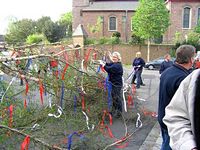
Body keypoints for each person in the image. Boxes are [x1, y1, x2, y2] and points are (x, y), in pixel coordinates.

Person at [158, 45, 196, 150]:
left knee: (165, 142)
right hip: (173, 124)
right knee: (168, 145)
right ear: (191, 59)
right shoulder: (184, 79)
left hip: (163, 117)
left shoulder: (168, 71)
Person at [163, 68, 200, 150]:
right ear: (190, 61)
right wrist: (188, 145)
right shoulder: (189, 78)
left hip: (164, 117)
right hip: (171, 123)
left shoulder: (167, 72)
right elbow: (176, 114)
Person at [100, 51, 123, 118]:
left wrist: (104, 65)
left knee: (117, 98)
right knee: (114, 97)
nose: (113, 58)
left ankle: (119, 112)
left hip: (117, 84)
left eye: (115, 57)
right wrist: (104, 63)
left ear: (118, 58)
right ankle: (114, 110)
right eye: (113, 57)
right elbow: (109, 64)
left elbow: (109, 69)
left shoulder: (117, 65)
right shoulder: (114, 63)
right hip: (114, 83)